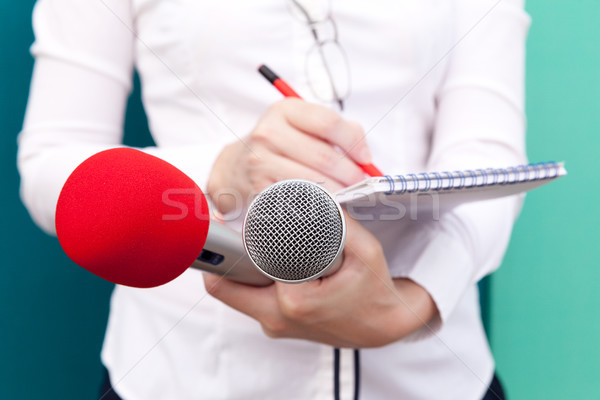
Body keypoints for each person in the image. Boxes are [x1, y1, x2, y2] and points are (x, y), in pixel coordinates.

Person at [18, 0, 529, 399]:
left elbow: (488, 155)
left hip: (432, 379)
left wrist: (414, 301)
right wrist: (222, 170)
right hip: (187, 376)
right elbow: (51, 164)